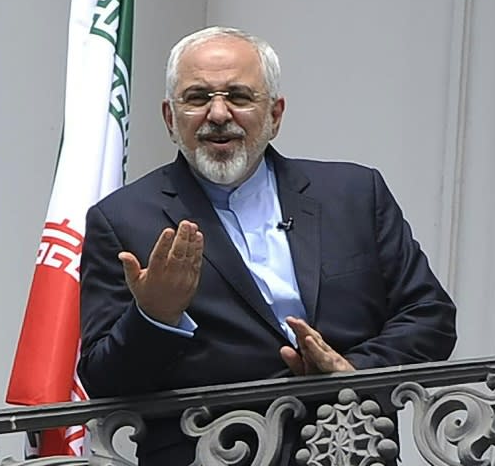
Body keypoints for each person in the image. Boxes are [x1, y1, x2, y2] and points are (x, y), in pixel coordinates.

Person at [78, 26, 456, 464]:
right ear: (170, 117)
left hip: (350, 447)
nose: (218, 114)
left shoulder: (354, 193)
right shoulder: (122, 219)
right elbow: (103, 380)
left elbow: (430, 316)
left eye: (239, 96)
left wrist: (351, 373)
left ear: (275, 114)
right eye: (198, 98)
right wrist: (156, 318)